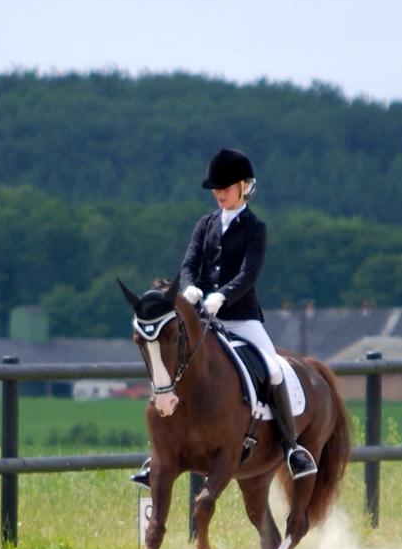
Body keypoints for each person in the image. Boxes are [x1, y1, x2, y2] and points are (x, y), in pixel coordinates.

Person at [131, 147, 317, 487]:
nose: (219, 193)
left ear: (244, 187)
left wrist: (223, 295)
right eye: (216, 188)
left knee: (274, 370)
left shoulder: (255, 228)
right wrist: (189, 290)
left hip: (242, 319)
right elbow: (189, 264)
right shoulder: (204, 225)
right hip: (204, 321)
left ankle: (292, 447)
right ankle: (160, 453)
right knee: (177, 368)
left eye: (226, 187)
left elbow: (249, 274)